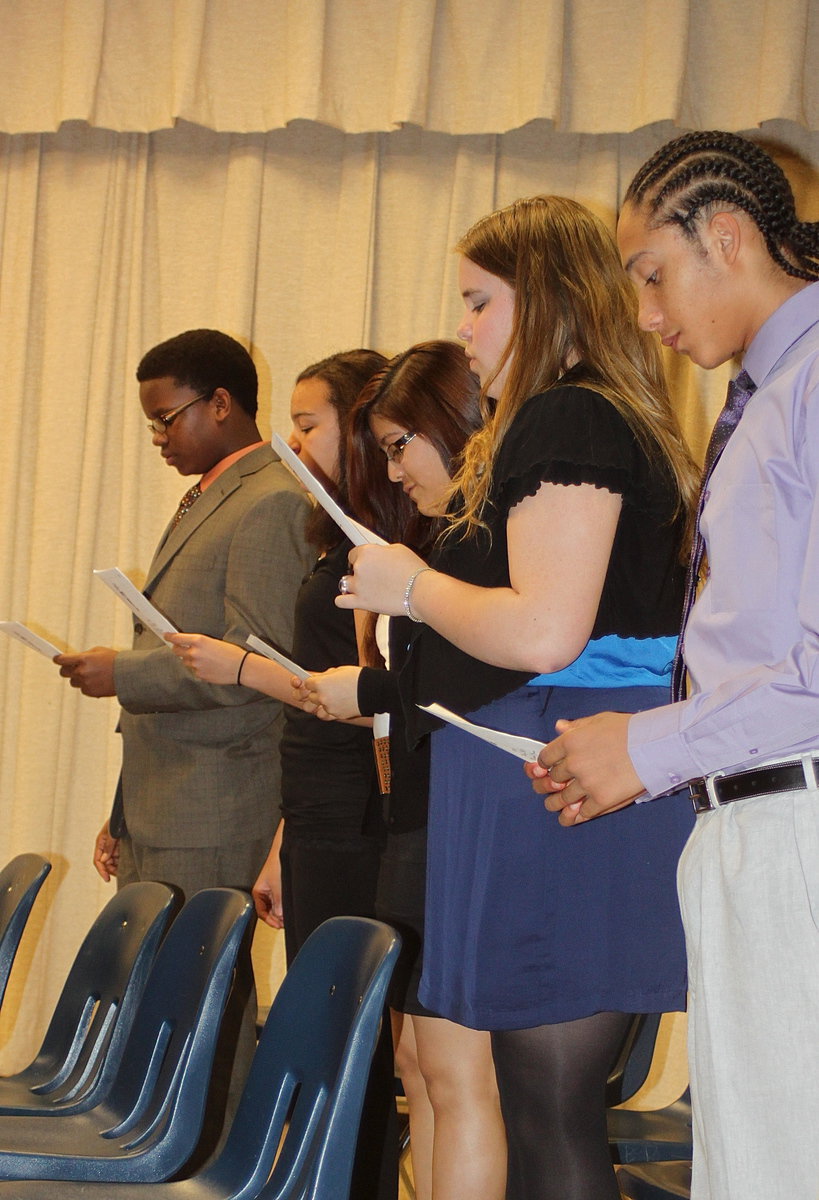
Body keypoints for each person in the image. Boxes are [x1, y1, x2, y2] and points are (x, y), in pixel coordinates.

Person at [335, 196, 698, 1200]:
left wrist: (409, 585)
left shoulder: (569, 414)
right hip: (546, 786)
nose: (463, 327)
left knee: (549, 1110)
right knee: (545, 1109)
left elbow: (545, 630)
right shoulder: (584, 417)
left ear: (544, 301)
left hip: (558, 793)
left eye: (479, 301)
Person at [531, 133, 819, 1200]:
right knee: (752, 1163)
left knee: (789, 1163)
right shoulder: (772, 392)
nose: (647, 317)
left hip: (800, 822)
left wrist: (644, 748)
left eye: (653, 276)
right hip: (752, 819)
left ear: (728, 236)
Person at [54, 327, 313, 1156]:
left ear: (223, 404)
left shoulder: (270, 499)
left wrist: (122, 673)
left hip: (220, 805)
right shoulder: (212, 493)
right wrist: (121, 810)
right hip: (167, 804)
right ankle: (159, 1156)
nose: (160, 437)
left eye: (167, 419)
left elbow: (256, 660)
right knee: (163, 1003)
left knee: (210, 1009)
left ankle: (209, 1164)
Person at [166, 348, 399, 1200]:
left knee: (352, 1042)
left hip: (360, 812)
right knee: (322, 1037)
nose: (291, 440)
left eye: (309, 425)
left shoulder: (391, 544)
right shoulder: (326, 531)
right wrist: (278, 844)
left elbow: (367, 696)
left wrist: (242, 670)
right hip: (313, 808)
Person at [295, 341, 507, 1200]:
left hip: (456, 822)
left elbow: (478, 681)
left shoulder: (478, 546)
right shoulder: (438, 544)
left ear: (448, 431)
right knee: (419, 1065)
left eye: (397, 445)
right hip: (414, 819)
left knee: (457, 1079)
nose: (389, 468)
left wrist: (369, 685)